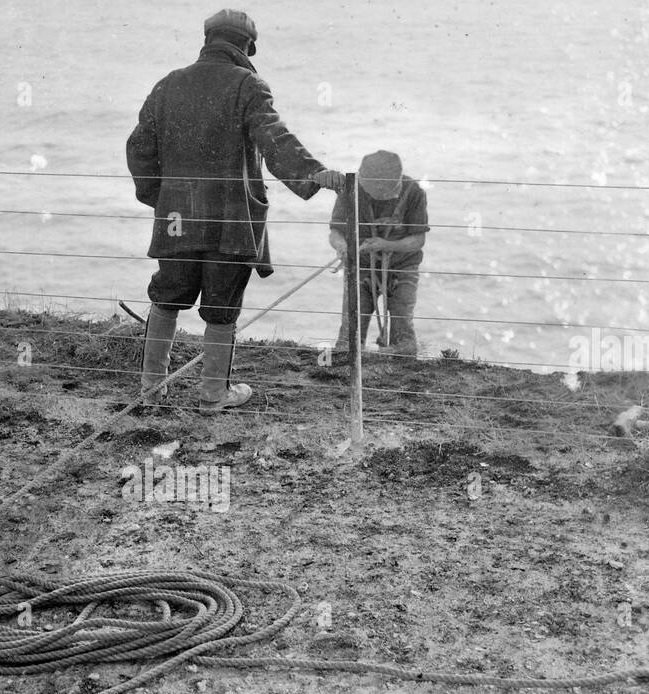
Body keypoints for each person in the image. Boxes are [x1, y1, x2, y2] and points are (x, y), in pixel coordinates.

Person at [126, 9, 343, 414]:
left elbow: (139, 149)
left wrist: (162, 197)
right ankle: (212, 395)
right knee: (222, 305)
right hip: (231, 219)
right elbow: (275, 140)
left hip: (177, 218)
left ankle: (151, 390)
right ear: (246, 46)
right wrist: (315, 173)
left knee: (167, 297)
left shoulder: (167, 85)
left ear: (207, 40)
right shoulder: (248, 84)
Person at [328, 150, 429, 358]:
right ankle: (346, 373)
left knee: (403, 329)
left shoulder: (414, 192)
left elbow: (418, 240)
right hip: (361, 267)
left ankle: (404, 372)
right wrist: (342, 247)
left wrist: (385, 244)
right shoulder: (351, 190)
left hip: (403, 267)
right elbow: (336, 233)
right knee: (350, 331)